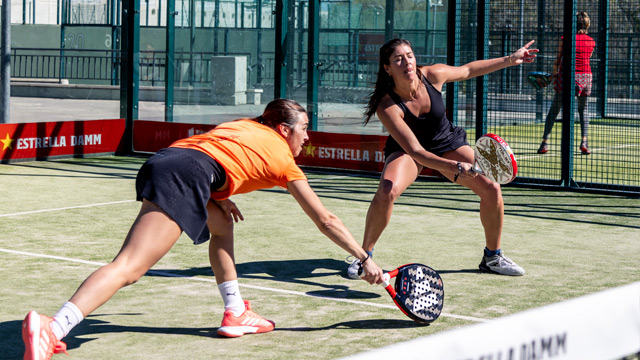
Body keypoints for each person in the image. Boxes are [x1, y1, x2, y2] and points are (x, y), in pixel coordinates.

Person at [22, 99, 384, 360]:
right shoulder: (283, 159)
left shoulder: (245, 125)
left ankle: (235, 311)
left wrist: (218, 194)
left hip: (168, 160)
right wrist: (363, 257)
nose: (307, 136)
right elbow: (326, 220)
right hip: (186, 175)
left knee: (222, 225)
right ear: (284, 129)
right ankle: (53, 328)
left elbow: (216, 155)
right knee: (129, 267)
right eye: (304, 128)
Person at [346, 38, 538, 279]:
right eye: (398, 59)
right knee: (387, 189)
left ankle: (493, 257)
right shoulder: (387, 106)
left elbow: (468, 70)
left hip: (447, 141)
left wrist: (510, 60)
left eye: (410, 55)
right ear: (387, 68)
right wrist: (454, 166)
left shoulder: (432, 75)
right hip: (409, 150)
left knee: (491, 188)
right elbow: (416, 152)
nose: (407, 61)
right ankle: (364, 256)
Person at [537, 11, 595, 155]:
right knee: (584, 109)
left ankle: (544, 143)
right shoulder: (592, 41)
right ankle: (584, 142)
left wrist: (554, 74)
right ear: (587, 24)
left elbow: (558, 59)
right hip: (585, 77)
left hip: (567, 76)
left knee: (554, 110)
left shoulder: (565, 38)